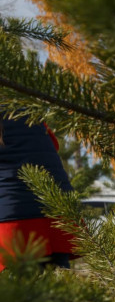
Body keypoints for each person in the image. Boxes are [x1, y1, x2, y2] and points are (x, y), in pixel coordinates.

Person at [0, 116, 75, 271]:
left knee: (17, 291)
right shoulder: (28, 110)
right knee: (57, 288)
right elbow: (53, 145)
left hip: (15, 219)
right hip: (58, 213)